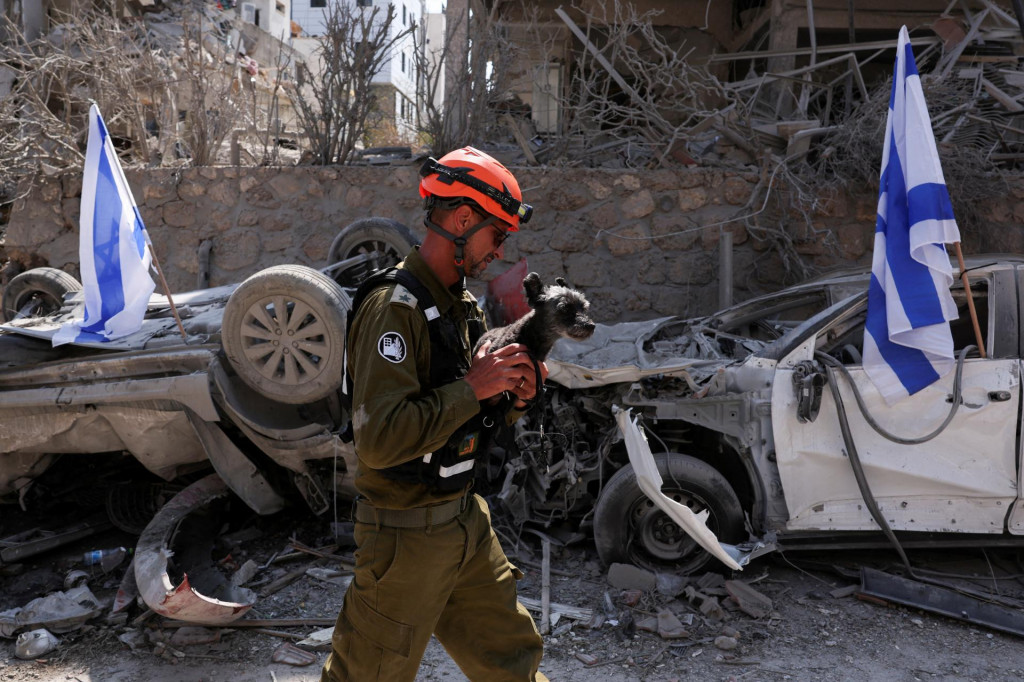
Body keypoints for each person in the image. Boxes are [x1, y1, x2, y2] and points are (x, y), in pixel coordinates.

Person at [322, 147, 549, 682]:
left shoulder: (460, 307)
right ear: (463, 220)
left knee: (514, 666)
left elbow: (469, 415)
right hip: (405, 539)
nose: (499, 251)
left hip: (464, 523)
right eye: (497, 235)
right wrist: (475, 387)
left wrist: (512, 397)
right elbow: (379, 439)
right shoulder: (394, 308)